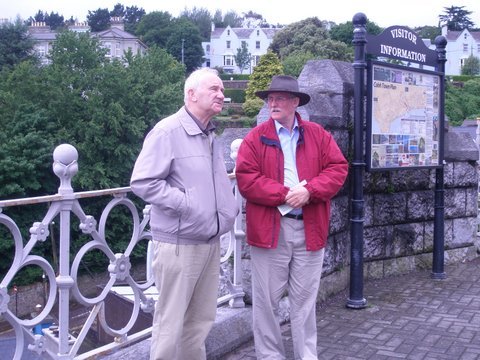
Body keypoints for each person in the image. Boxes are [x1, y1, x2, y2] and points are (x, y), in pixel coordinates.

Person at [235, 75, 348, 359]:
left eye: (280, 98)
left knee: (304, 302)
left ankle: (306, 356)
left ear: (295, 102)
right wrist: (285, 194)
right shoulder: (255, 138)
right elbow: (246, 179)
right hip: (271, 230)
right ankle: (270, 356)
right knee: (267, 302)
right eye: (270, 99)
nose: (273, 103)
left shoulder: (318, 134)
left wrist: (310, 190)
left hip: (310, 228)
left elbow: (337, 169)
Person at [130, 68, 238, 360]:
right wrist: (186, 203)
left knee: (200, 323)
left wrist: (227, 209)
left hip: (210, 240)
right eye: (214, 89)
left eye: (222, 90)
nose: (221, 94)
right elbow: (142, 181)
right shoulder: (168, 130)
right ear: (191, 94)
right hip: (179, 243)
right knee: (170, 324)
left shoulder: (209, 133)